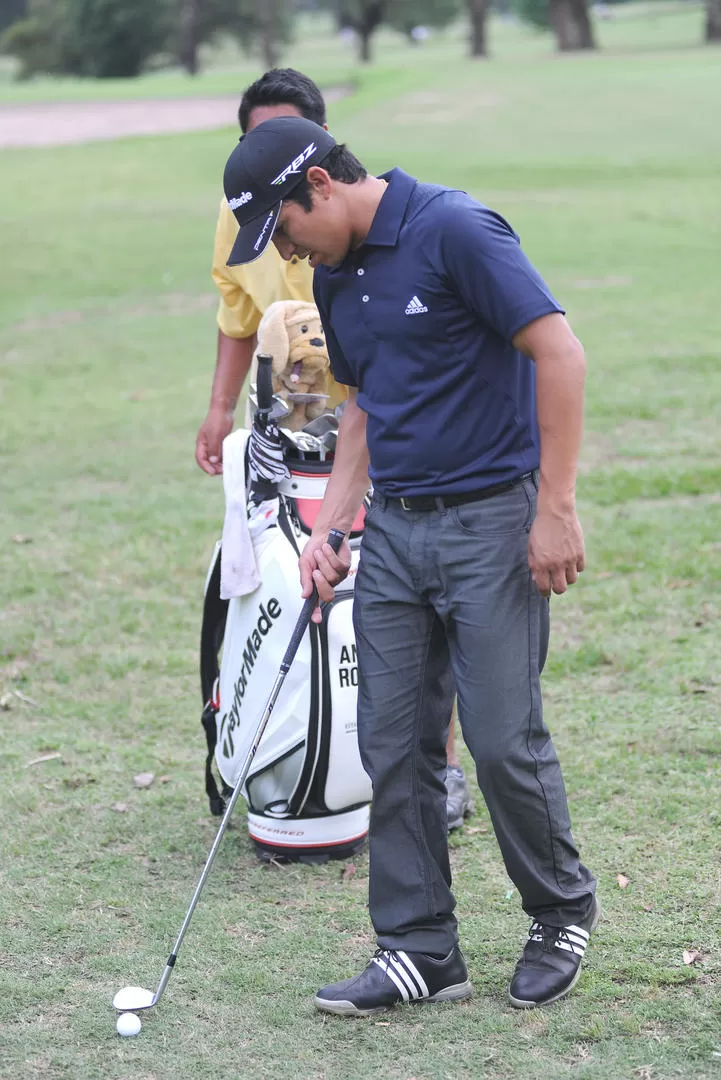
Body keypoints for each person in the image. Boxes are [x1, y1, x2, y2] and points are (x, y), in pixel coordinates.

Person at [220, 116, 599, 1015]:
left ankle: (558, 910)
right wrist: (333, 523)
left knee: (503, 740)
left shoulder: (455, 229)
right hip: (391, 531)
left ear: (317, 186)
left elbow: (559, 352)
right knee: (393, 744)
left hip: (489, 523)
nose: (287, 252)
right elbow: (361, 408)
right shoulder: (336, 271)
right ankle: (419, 945)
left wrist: (554, 507)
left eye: (283, 228)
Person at [196, 68, 473, 832]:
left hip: (369, 413)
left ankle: (438, 767)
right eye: (252, 141)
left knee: (406, 589)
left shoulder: (365, 221)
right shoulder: (241, 213)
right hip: (286, 406)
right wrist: (219, 411)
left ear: (316, 148)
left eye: (279, 140)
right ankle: (300, 752)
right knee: (285, 576)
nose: (262, 156)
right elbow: (235, 315)